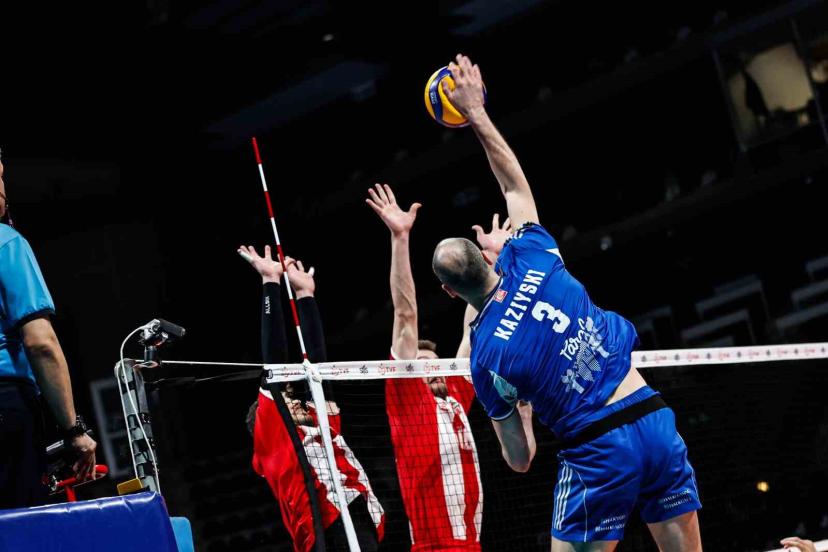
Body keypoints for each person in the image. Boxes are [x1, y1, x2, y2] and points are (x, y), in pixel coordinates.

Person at [430, 54, 702, 551]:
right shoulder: (532, 254)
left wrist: (521, 405)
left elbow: (520, 459)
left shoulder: (487, 359)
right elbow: (513, 185)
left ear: (449, 293)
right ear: (489, 257)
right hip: (652, 416)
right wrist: (476, 113)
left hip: (600, 451)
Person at [367, 184, 510, 550]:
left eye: (435, 365)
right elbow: (405, 315)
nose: (431, 372)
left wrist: (495, 262)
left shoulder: (456, 395)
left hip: (473, 542)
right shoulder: (409, 398)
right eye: (421, 367)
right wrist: (400, 238)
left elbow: (476, 317)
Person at [240, 245, 384, 552]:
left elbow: (320, 370)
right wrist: (270, 282)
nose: (295, 401)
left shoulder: (321, 425)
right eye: (288, 402)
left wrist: (305, 295)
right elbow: (275, 366)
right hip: (324, 531)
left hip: (360, 516)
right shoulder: (273, 438)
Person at [0, 150, 97, 508]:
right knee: (19, 527)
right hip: (6, 406)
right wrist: (74, 430)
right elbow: (41, 343)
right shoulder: (7, 243)